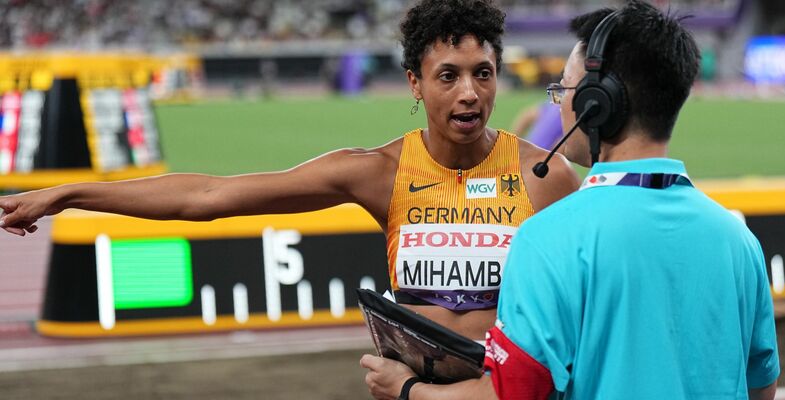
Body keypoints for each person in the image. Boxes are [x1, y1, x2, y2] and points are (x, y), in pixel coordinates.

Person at [0, 0, 579, 342]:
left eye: (483, 73)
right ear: (415, 84)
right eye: (448, 75)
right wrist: (68, 194)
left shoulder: (545, 176)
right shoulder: (379, 172)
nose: (470, 92)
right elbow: (207, 196)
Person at [359, 1, 780, 399]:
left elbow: (514, 392)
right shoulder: (739, 242)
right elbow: (761, 385)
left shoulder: (548, 238)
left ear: (597, 104)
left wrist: (408, 389)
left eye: (564, 88)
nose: (559, 103)